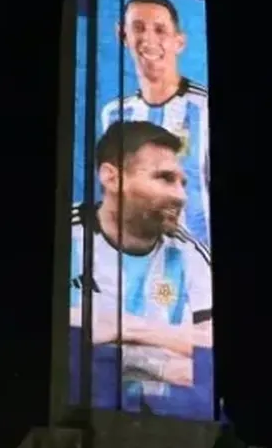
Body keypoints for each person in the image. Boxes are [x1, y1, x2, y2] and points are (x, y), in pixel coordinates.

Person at [70, 120, 212, 415]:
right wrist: (165, 352)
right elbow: (62, 341)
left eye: (182, 183)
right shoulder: (67, 237)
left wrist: (122, 327)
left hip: (165, 417)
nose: (181, 196)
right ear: (111, 178)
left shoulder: (189, 253)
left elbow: (209, 350)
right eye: (164, 178)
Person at [100, 0, 211, 246]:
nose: (148, 39)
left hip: (201, 263)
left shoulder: (204, 107)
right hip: (137, 257)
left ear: (179, 42)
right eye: (138, 28)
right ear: (122, 34)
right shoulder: (115, 114)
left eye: (160, 30)